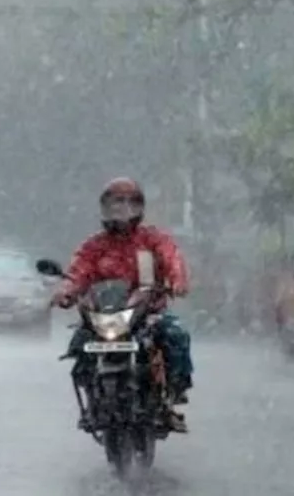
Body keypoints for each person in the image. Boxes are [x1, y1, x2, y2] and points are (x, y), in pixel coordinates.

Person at [52, 177, 193, 433]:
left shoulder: (152, 239)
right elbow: (77, 272)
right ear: (105, 208)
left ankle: (170, 396)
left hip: (146, 312)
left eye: (129, 205)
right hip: (105, 315)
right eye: (116, 205)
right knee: (79, 345)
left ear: (140, 208)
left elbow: (172, 258)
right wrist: (66, 292)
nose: (122, 212)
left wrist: (177, 280)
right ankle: (91, 399)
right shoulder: (95, 245)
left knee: (175, 336)